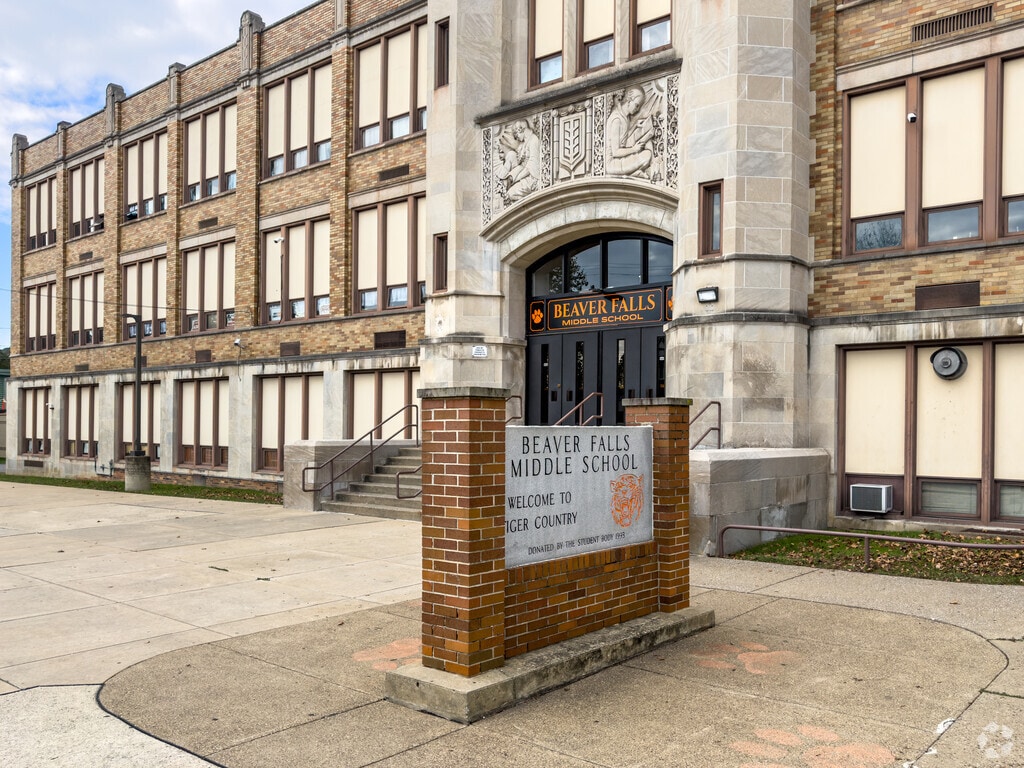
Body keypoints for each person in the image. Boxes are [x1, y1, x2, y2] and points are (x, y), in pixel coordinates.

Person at [605, 86, 655, 177]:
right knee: (646, 155)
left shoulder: (625, 117)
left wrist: (636, 126)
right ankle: (636, 172)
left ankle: (636, 172)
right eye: (637, 105)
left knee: (648, 141)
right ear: (630, 100)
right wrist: (634, 149)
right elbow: (616, 152)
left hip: (621, 159)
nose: (638, 109)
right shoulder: (617, 119)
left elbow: (624, 138)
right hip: (612, 164)